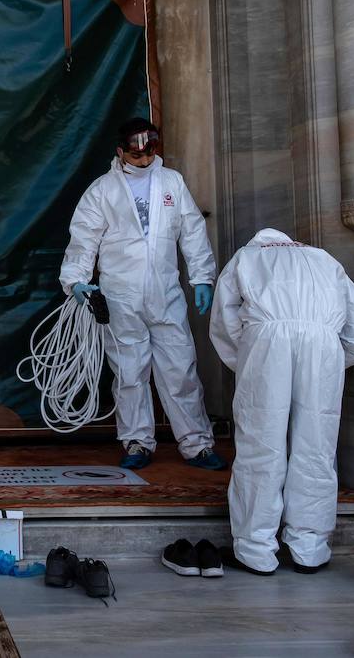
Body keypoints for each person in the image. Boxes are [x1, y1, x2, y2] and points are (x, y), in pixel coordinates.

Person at [59, 117, 225, 471]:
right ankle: (137, 440)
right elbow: (84, 237)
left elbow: (192, 231)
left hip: (165, 292)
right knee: (130, 372)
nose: (145, 159)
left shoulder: (171, 183)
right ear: (121, 152)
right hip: (120, 295)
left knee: (180, 368)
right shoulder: (103, 190)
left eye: (150, 152)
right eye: (137, 155)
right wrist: (75, 281)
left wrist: (202, 278)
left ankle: (196, 443)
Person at [209, 228, 354, 574]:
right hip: (322, 345)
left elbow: (224, 324)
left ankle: (256, 549)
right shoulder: (325, 260)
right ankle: (309, 548)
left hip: (265, 342)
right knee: (316, 447)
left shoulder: (247, 257)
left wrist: (248, 362)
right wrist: (330, 362)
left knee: (260, 444)